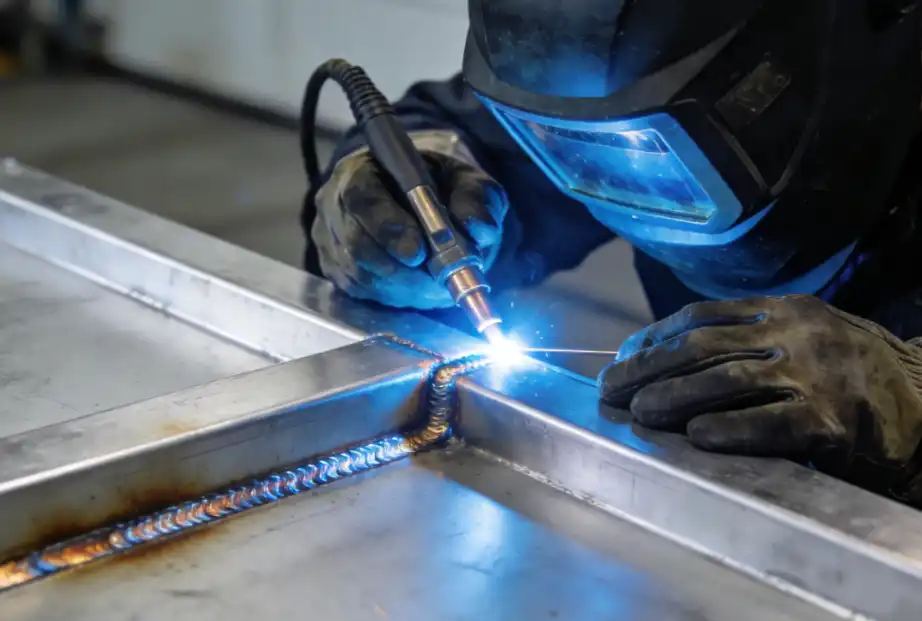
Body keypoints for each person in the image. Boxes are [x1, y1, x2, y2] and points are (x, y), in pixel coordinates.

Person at [302, 1, 922, 506]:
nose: (633, 188)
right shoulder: (634, 71)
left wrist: (910, 395)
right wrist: (401, 195)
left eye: (655, 153)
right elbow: (474, 132)